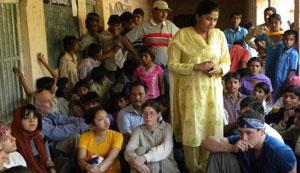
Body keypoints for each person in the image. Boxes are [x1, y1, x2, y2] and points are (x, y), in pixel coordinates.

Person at [168, 1, 231, 172]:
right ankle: (193, 168)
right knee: (193, 131)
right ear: (198, 16)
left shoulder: (219, 36)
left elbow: (227, 61)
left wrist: (220, 68)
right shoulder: (182, 35)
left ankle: (211, 167)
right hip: (191, 92)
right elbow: (172, 65)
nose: (212, 23)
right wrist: (195, 66)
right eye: (208, 19)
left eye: (215, 20)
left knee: (212, 127)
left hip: (212, 91)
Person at [202, 111, 297, 173]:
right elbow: (206, 142)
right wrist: (231, 148)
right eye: (241, 132)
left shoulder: (280, 150)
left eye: (249, 133)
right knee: (219, 154)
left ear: (262, 131)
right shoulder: (240, 140)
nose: (244, 137)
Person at [125, 101, 179, 173]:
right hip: (143, 169)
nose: (148, 116)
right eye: (145, 113)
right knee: (139, 152)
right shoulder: (138, 130)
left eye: (151, 113)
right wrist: (136, 163)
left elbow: (166, 148)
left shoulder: (167, 127)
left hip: (166, 168)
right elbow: (128, 150)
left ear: (158, 114)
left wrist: (145, 157)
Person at [34, 89, 89, 156]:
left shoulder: (49, 114)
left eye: (52, 99)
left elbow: (66, 120)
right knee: (75, 137)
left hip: (58, 141)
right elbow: (55, 132)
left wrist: (88, 121)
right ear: (37, 105)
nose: (52, 104)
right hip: (51, 149)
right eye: (47, 102)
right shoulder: (36, 120)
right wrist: (81, 127)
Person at [12, 105, 56, 173]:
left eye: (34, 117)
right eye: (26, 118)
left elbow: (48, 160)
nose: (32, 120)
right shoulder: (13, 141)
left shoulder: (40, 136)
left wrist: (52, 169)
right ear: (18, 121)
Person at [78, 107, 123, 173]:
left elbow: (111, 158)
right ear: (92, 125)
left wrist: (97, 170)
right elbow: (81, 159)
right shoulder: (85, 137)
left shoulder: (117, 136)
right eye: (100, 119)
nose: (106, 121)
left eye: (106, 117)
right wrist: (87, 166)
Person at [255, 13, 284, 82]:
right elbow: (256, 40)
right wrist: (261, 49)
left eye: (276, 22)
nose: (274, 25)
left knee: (279, 76)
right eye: (271, 23)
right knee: (269, 77)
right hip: (269, 60)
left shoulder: (284, 35)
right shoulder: (266, 35)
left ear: (280, 23)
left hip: (281, 59)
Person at [273, 30, 299, 98]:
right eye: (286, 39)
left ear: (295, 41)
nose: (288, 41)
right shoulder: (282, 50)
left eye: (291, 39)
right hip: (277, 82)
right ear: (283, 40)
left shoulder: (293, 53)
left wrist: (287, 85)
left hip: (285, 83)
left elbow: (292, 71)